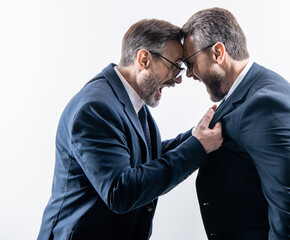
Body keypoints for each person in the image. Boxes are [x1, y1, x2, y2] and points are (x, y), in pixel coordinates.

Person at [37, 19, 223, 240]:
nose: (178, 78)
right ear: (144, 59)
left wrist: (197, 135)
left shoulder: (129, 101)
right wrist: (197, 148)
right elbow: (120, 191)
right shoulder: (95, 108)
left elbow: (145, 158)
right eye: (174, 65)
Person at [182, 7, 290, 240]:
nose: (189, 74)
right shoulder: (257, 89)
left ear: (218, 53)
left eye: (191, 62)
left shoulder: (265, 107)